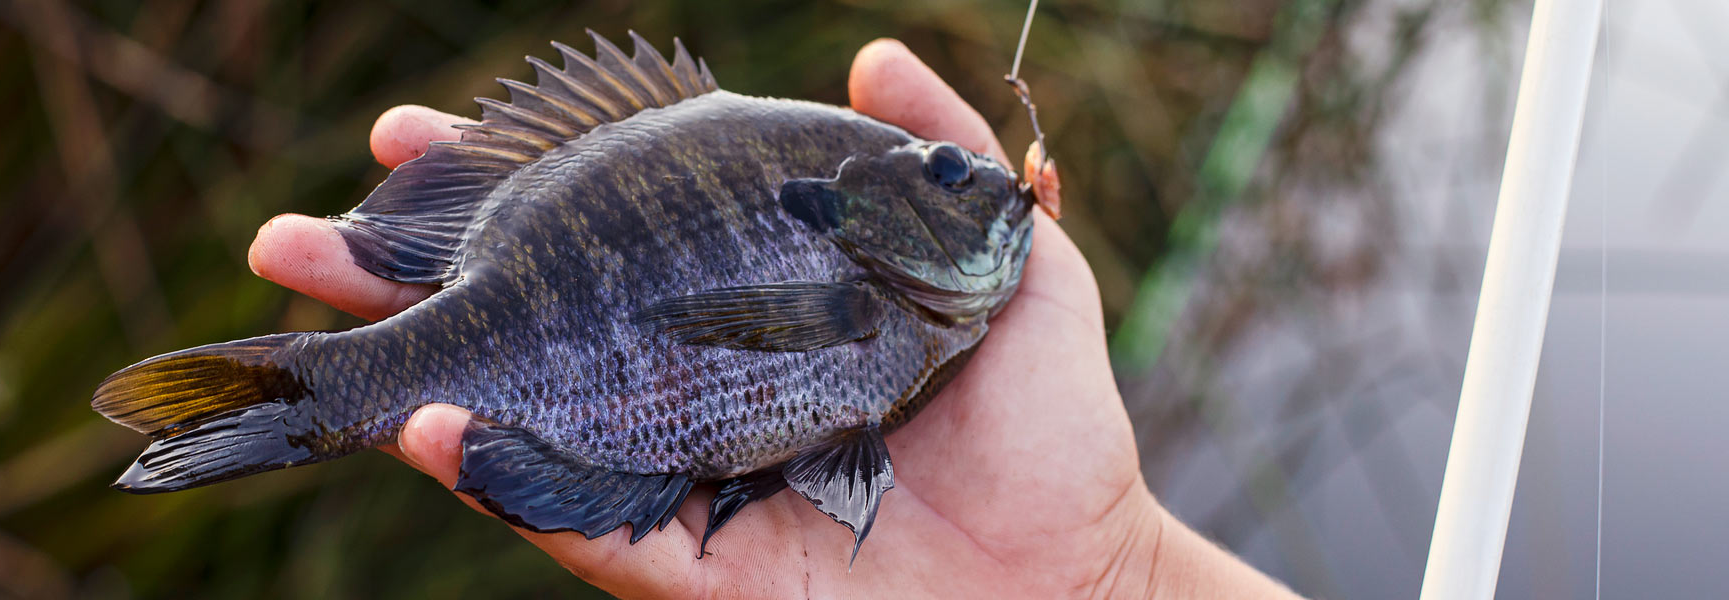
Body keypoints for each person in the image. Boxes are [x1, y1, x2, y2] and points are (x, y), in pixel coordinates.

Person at [245, 38, 1301, 599]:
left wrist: (1109, 577)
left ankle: (299, 398)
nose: (975, 189)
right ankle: (310, 395)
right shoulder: (871, 303)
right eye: (942, 174)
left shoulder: (887, 304)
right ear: (867, 204)